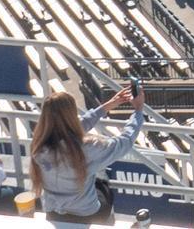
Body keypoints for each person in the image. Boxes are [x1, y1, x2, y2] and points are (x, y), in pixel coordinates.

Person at [30, 87, 148, 221]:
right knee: (102, 174)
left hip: (54, 212)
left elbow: (70, 128)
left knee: (92, 170)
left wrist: (109, 105)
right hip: (88, 214)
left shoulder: (39, 144)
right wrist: (138, 111)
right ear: (72, 114)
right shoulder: (87, 148)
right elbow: (125, 141)